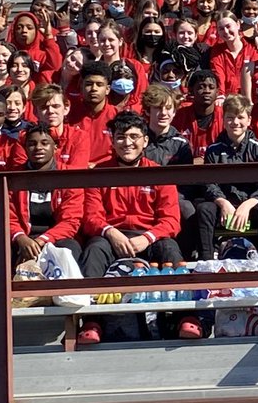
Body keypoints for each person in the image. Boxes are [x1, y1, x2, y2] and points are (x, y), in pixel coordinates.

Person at [79, 110, 182, 286]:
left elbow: (171, 220)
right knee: (94, 249)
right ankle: (90, 307)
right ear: (112, 141)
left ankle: (180, 311)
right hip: (111, 237)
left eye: (134, 136)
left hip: (148, 237)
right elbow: (91, 217)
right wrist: (111, 233)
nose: (127, 143)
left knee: (169, 248)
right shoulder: (98, 174)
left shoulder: (159, 174)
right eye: (120, 137)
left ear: (146, 141)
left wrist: (147, 238)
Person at [197, 95, 258, 260]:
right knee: (205, 208)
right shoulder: (214, 150)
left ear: (249, 120)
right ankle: (207, 262)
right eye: (230, 118)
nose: (235, 122)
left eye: (240, 117)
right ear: (224, 120)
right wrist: (222, 202)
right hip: (225, 206)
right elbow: (209, 183)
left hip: (250, 204)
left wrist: (247, 205)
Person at [10, 124, 84, 265]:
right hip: (23, 237)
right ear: (25, 148)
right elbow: (8, 217)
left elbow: (70, 221)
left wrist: (42, 240)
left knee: (71, 248)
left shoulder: (69, 177)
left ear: (56, 147)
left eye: (45, 143)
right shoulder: (14, 178)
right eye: (32, 144)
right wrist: (21, 238)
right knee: (0, 246)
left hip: (56, 238)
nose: (38, 148)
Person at [9, 83, 90, 170]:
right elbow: (21, 171)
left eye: (56, 106)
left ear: (66, 108)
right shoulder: (25, 136)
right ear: (35, 112)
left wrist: (44, 166)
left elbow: (77, 172)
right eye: (44, 107)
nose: (50, 111)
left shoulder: (79, 137)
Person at [66, 62, 119, 166]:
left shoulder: (117, 116)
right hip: (74, 172)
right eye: (89, 84)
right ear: (81, 86)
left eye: (99, 84)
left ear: (107, 89)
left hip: (108, 173)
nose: (94, 89)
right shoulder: (68, 113)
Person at [174, 69, 223, 163]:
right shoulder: (179, 117)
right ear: (191, 90)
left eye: (211, 87)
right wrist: (191, 162)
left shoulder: (225, 117)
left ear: (217, 92)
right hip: (187, 173)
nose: (207, 91)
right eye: (201, 87)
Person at [206, 13, 258, 97]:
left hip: (249, 97)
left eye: (228, 26)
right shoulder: (217, 51)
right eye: (221, 29)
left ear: (238, 24)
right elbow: (218, 75)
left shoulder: (252, 49)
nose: (226, 31)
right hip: (227, 98)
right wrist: (220, 95)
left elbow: (256, 76)